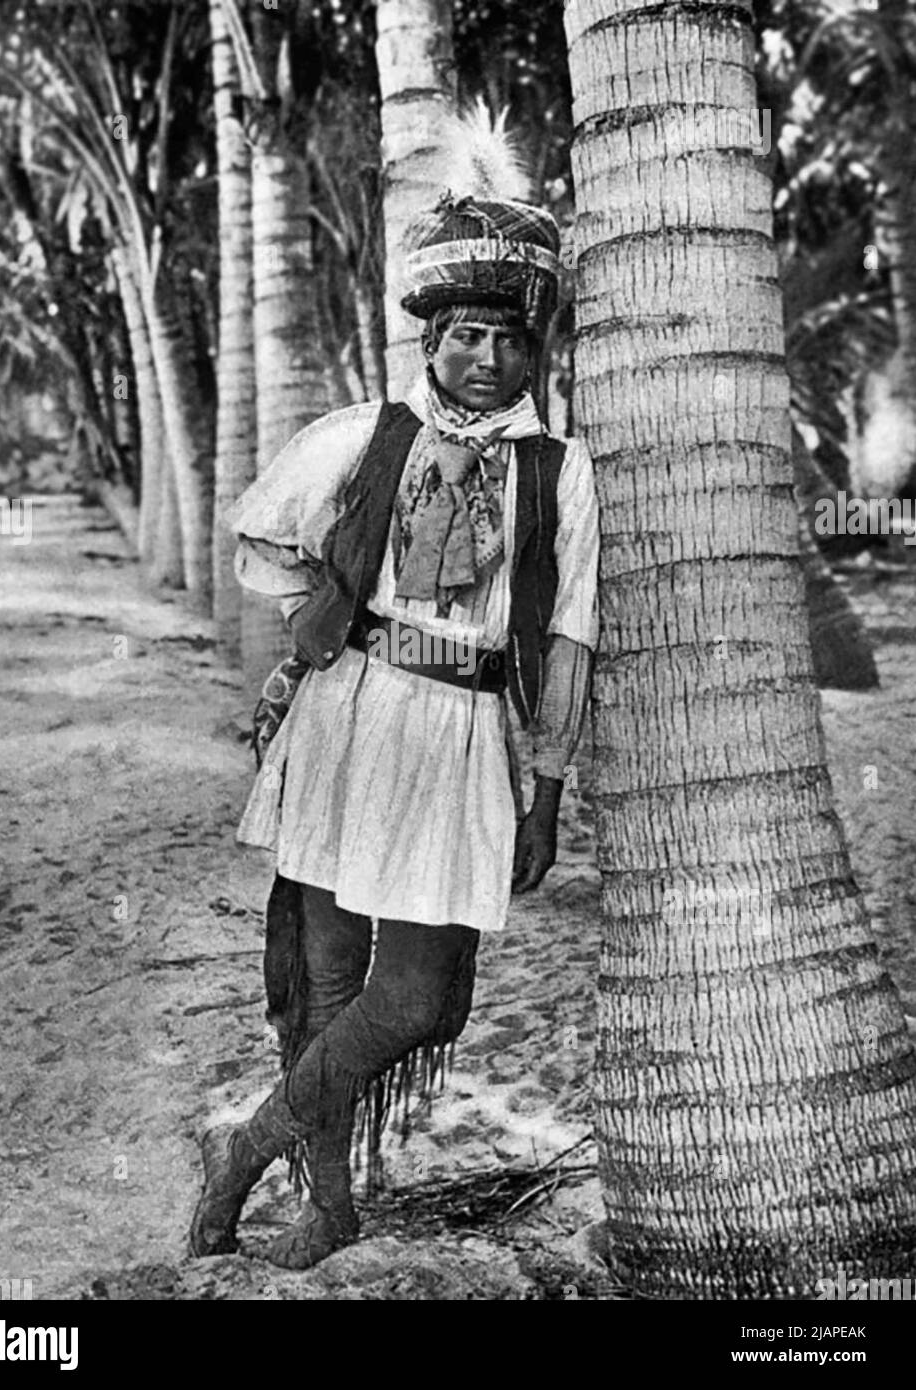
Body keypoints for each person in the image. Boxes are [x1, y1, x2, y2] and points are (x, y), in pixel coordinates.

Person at [189, 177, 600, 1270]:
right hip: (349, 719)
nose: (488, 361)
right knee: (325, 983)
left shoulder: (558, 473)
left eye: (510, 342)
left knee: (418, 994)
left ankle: (245, 1146)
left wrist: (545, 788)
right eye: (467, 335)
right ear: (430, 337)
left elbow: (566, 636)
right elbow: (265, 532)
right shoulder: (368, 435)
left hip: (463, 738)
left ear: (533, 355)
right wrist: (326, 609)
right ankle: (326, 1209)